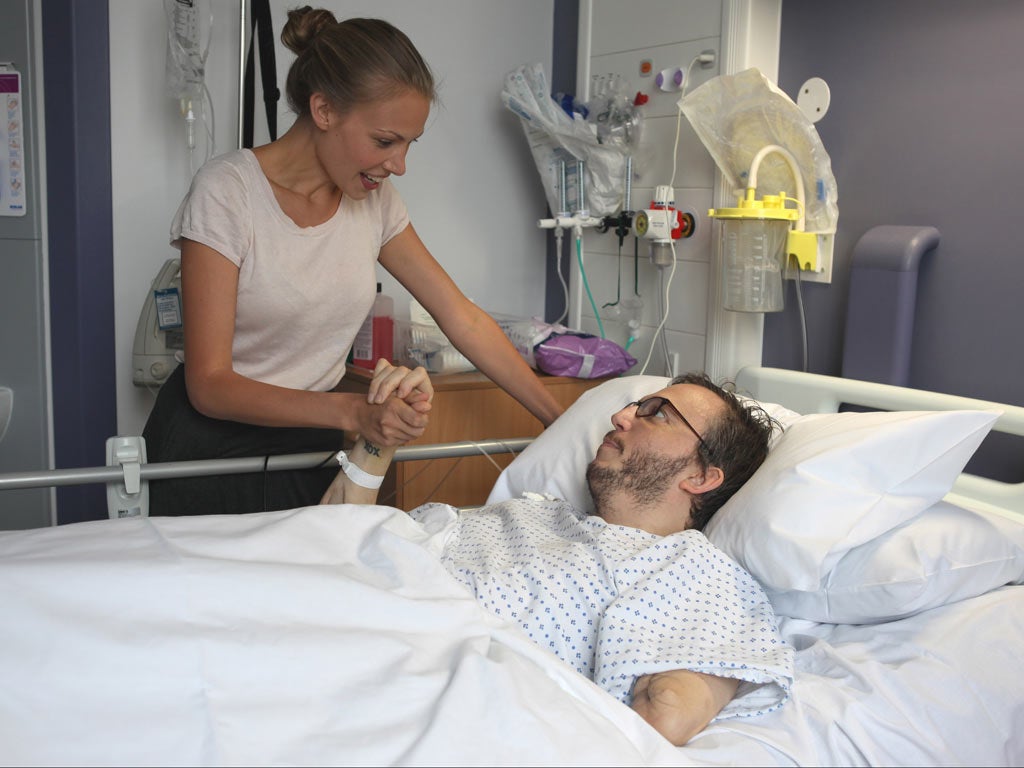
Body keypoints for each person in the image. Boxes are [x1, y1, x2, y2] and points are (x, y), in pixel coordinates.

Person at [142, 8, 563, 517]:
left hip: (306, 446)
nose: (398, 165)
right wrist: (352, 412)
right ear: (323, 110)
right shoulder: (228, 192)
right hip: (208, 452)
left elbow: (462, 318)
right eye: (385, 141)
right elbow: (210, 385)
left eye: (409, 144)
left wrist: (558, 419)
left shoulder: (375, 204)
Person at [323, 366, 794, 746]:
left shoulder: (691, 571)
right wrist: (377, 443)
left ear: (702, 477)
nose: (621, 416)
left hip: (400, 694)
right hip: (342, 618)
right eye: (634, 405)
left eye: (657, 414)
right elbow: (342, 542)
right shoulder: (531, 513)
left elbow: (667, 717)